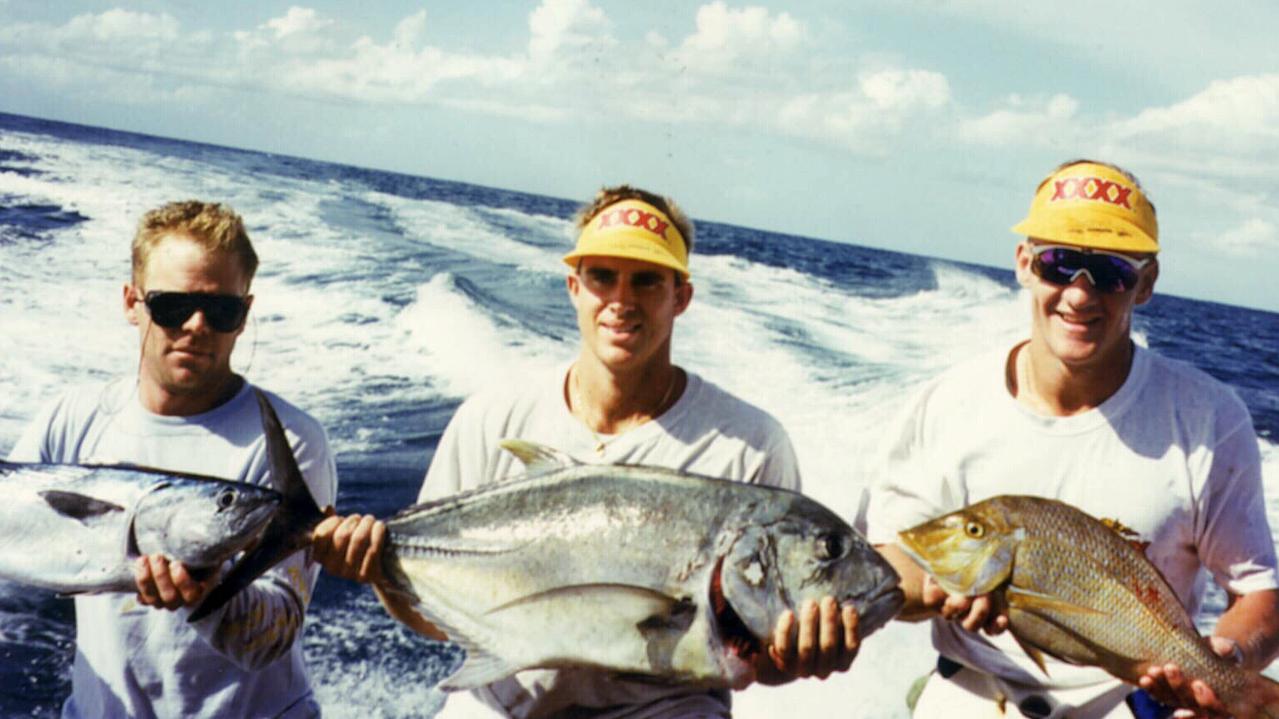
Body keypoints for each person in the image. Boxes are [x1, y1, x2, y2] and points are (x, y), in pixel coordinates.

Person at [314, 185, 862, 718]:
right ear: (574, 286)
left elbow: (754, 659)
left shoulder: (750, 445)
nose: (622, 301)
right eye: (603, 276)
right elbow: (435, 620)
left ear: (681, 296)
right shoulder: (493, 417)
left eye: (646, 281)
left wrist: (799, 656)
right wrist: (379, 570)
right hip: (501, 703)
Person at [864, 160, 1279, 718]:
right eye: (1059, 264)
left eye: (1109, 272)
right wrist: (939, 589)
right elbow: (896, 559)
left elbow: (1260, 595)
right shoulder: (943, 404)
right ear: (1024, 264)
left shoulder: (1208, 419)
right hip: (971, 692)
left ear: (1147, 283)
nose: (1080, 296)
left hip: (1132, 705)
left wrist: (1221, 659)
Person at [9, 200, 337, 718]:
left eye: (221, 310)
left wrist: (207, 592)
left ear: (245, 316)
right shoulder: (70, 418)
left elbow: (270, 638)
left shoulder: (290, 442)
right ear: (131, 302)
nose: (197, 326)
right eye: (171, 306)